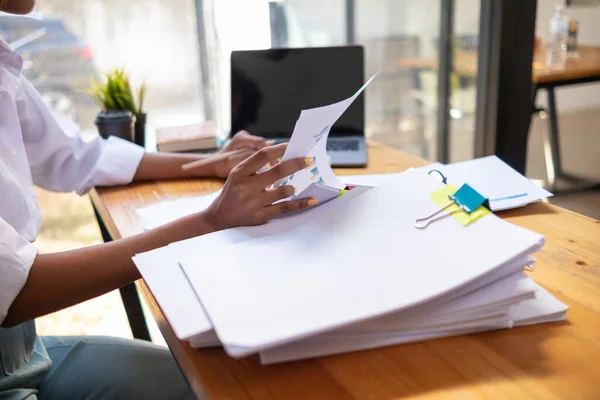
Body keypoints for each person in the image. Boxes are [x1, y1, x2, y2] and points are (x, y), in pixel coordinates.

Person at [0, 0, 318, 398]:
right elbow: (17, 290)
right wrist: (209, 221)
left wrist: (211, 162)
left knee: (204, 382)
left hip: (26, 349)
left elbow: (76, 157)